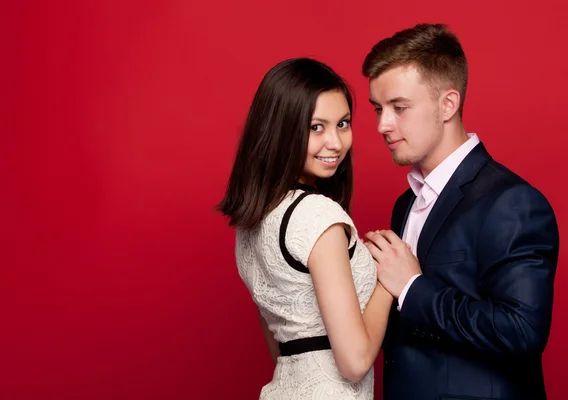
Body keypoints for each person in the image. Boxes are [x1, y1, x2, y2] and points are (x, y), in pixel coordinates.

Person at [361, 23, 560, 400]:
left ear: (448, 104)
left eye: (399, 107)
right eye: (378, 109)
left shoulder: (512, 202)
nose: (382, 125)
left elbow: (521, 331)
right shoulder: (406, 204)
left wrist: (411, 287)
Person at [217, 57, 392, 399]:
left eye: (343, 123)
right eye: (316, 127)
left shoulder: (252, 222)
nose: (336, 143)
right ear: (282, 130)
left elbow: (284, 349)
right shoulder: (317, 215)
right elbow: (354, 362)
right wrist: (388, 283)